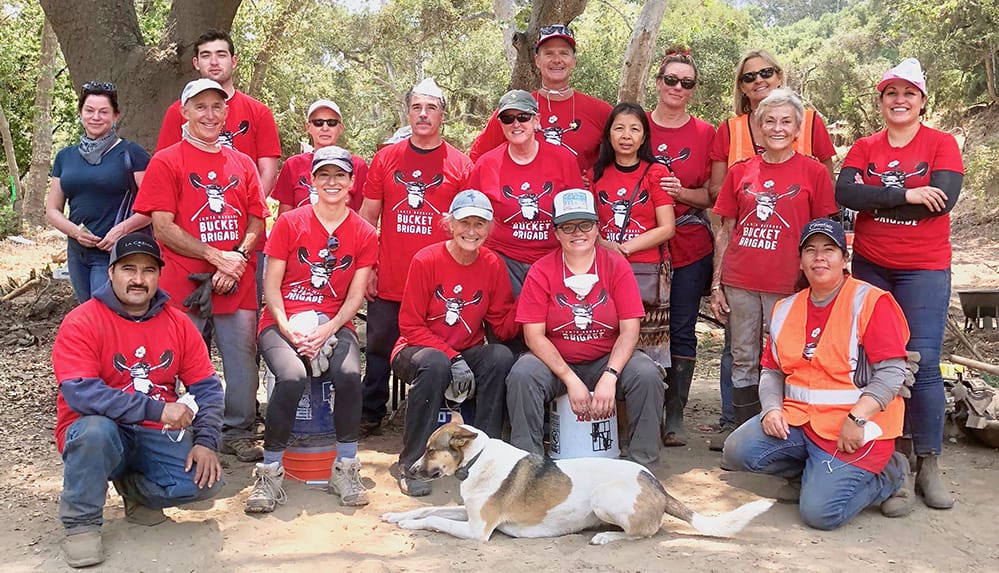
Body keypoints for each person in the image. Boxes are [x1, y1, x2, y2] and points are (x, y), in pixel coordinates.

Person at [722, 218, 914, 530]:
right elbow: (772, 369)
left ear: (844, 257)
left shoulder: (869, 301)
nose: (819, 257)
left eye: (829, 249)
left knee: (819, 515)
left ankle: (890, 474)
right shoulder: (786, 308)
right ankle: (811, 473)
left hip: (855, 427)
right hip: (801, 421)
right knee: (737, 451)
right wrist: (772, 409)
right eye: (810, 250)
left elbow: (893, 372)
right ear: (800, 260)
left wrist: (858, 418)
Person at [834, 58, 963, 510]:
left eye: (909, 93)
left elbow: (941, 202)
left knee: (923, 363)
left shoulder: (941, 144)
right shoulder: (865, 146)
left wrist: (877, 198)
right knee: (878, 363)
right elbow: (846, 195)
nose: (900, 100)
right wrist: (906, 194)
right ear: (882, 100)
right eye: (891, 93)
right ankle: (893, 464)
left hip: (923, 268)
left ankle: (928, 461)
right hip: (872, 266)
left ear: (922, 100)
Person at [53, 233, 224, 568]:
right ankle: (81, 523)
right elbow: (80, 392)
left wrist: (205, 441)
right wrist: (158, 409)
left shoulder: (178, 322)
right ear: (111, 271)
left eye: (148, 271)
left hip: (153, 432)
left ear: (159, 276)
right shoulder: (82, 321)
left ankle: (133, 490)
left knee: (206, 483)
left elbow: (207, 388)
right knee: (95, 432)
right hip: (99, 432)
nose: (138, 279)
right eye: (128, 269)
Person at [706, 50, 838, 449]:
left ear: (798, 129)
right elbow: (725, 230)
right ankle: (746, 437)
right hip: (741, 281)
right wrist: (716, 284)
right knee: (744, 357)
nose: (777, 128)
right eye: (769, 122)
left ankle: (788, 432)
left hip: (790, 285)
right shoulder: (740, 172)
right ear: (758, 129)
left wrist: (826, 285)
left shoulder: (813, 172)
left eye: (785, 122)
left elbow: (826, 234)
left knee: (785, 359)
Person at [134, 78, 269, 463]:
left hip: (237, 279)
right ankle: (183, 429)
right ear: (185, 112)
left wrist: (236, 258)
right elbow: (162, 226)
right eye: (201, 107)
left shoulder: (242, 163)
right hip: (183, 282)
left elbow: (258, 220)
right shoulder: (167, 160)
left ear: (226, 113)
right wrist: (215, 257)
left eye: (217, 107)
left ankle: (238, 430)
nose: (210, 115)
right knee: (181, 358)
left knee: (242, 356)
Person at [247, 146, 377, 512]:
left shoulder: (364, 232)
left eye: (340, 175)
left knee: (350, 374)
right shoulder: (291, 223)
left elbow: (355, 297)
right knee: (290, 377)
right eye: (324, 175)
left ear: (352, 182)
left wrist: (328, 330)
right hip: (282, 322)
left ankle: (346, 466)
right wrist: (289, 329)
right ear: (313, 181)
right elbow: (271, 287)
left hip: (335, 323)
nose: (332, 182)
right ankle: (270, 472)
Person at [506, 189, 665, 467]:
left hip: (606, 357)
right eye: (567, 226)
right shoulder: (542, 270)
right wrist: (569, 378)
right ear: (556, 232)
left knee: (647, 374)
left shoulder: (616, 266)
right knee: (523, 374)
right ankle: (528, 467)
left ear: (597, 227)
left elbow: (629, 330)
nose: (577, 233)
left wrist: (610, 375)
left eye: (585, 224)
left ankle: (642, 465)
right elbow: (533, 336)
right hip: (557, 361)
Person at [358, 78, 473, 435]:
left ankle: (439, 416)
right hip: (392, 277)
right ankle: (370, 412)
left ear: (442, 115)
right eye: (417, 108)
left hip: (441, 284)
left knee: (440, 352)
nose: (423, 115)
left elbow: (471, 226)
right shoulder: (386, 158)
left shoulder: (460, 165)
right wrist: (368, 269)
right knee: (378, 347)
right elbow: (366, 219)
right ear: (407, 112)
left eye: (431, 108)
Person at [391, 190, 519, 496]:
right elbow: (409, 324)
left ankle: (483, 459)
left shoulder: (492, 263)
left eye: (479, 224)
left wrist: (532, 305)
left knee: (500, 356)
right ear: (449, 223)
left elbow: (501, 323)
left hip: (466, 350)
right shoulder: (427, 259)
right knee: (435, 364)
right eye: (464, 223)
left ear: (489, 228)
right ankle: (411, 464)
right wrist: (451, 357)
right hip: (415, 349)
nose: (471, 231)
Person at [154, 29, 281, 299]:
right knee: (188, 331)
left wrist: (238, 248)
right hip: (187, 244)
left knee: (240, 330)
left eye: (221, 55)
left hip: (243, 238)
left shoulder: (258, 112)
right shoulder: (177, 112)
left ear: (233, 61)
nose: (214, 62)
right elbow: (162, 175)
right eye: (206, 55)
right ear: (195, 63)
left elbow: (266, 174)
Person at [646, 49, 717, 446]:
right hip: (642, 243)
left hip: (689, 243)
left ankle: (674, 415)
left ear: (692, 90)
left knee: (682, 327)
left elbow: (713, 195)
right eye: (671, 80)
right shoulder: (636, 123)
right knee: (639, 326)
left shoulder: (706, 133)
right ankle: (641, 409)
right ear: (658, 82)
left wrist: (682, 192)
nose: (677, 88)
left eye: (686, 83)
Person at [466, 90, 584, 295]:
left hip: (553, 260)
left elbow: (579, 217)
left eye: (523, 116)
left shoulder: (563, 160)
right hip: (503, 263)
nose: (516, 124)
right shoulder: (486, 165)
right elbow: (469, 218)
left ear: (537, 119)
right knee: (505, 325)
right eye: (507, 118)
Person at [47, 81, 152, 303]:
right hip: (77, 252)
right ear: (80, 113)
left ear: (116, 116)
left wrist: (120, 231)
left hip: (115, 251)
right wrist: (75, 232)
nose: (96, 117)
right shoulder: (65, 157)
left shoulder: (131, 153)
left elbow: (154, 206)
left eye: (104, 112)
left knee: (106, 313)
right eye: (90, 110)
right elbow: (52, 210)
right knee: (88, 316)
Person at [592, 102, 675, 369]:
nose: (626, 136)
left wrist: (625, 248)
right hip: (605, 270)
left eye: (634, 129)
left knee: (646, 354)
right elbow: (590, 226)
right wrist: (606, 246)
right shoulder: (596, 175)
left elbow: (667, 227)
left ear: (644, 137)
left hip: (646, 272)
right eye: (619, 128)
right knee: (608, 345)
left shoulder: (656, 173)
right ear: (608, 134)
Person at [468, 24, 611, 180]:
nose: (557, 60)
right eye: (549, 53)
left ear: (574, 61)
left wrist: (594, 178)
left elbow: (627, 158)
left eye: (564, 53)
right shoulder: (514, 109)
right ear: (537, 60)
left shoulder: (600, 111)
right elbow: (476, 160)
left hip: (575, 201)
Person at [271, 99, 368, 214]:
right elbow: (284, 216)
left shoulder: (357, 165)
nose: (325, 128)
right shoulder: (293, 165)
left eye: (331, 122)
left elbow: (363, 218)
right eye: (318, 122)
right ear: (308, 127)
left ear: (341, 128)